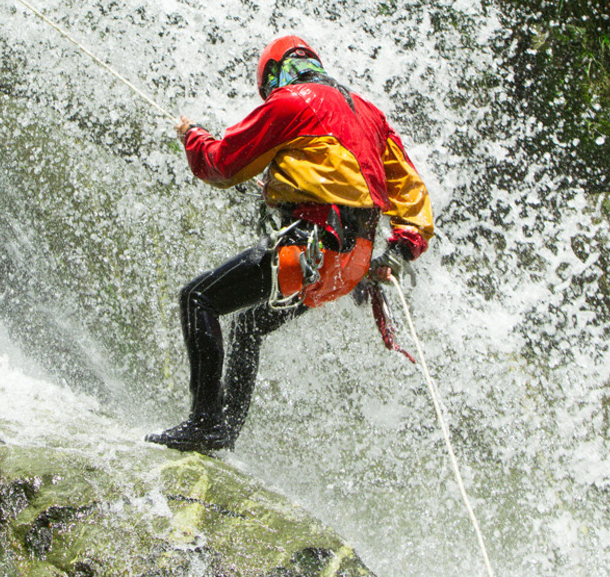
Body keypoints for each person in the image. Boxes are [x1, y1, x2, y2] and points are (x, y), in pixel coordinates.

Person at [147, 35, 434, 453]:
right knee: (249, 325)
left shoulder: (291, 102)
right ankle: (223, 433)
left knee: (197, 299)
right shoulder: (369, 113)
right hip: (350, 265)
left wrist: (192, 136)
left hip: (311, 248)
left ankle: (205, 424)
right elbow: (411, 191)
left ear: (274, 75)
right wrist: (401, 250)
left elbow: (223, 164)